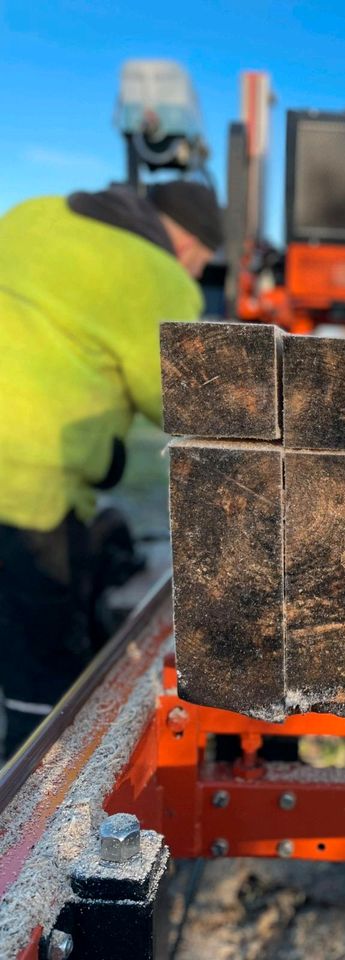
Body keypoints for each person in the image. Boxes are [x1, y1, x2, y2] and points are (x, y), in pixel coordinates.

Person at [0, 180, 224, 755]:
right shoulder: (160, 277)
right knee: (43, 677)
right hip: (25, 487)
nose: (196, 276)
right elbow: (185, 402)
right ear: (187, 243)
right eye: (201, 262)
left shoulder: (35, 211)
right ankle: (32, 820)